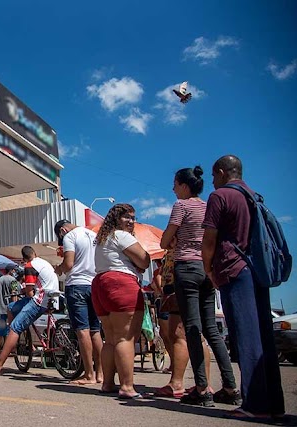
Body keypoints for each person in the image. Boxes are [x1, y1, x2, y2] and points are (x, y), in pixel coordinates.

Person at [202, 155, 284, 420]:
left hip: (234, 269)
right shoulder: (253, 196)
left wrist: (209, 269)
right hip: (257, 268)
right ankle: (273, 402)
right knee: (263, 336)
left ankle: (256, 404)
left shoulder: (221, 196)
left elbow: (210, 239)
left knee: (246, 338)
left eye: (214, 176)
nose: (212, 182)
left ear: (222, 172)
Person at [160, 166, 238, 406]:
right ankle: (230, 386)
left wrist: (174, 239)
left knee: (192, 328)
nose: (173, 189)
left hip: (186, 267)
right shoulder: (209, 206)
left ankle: (201, 388)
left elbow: (165, 240)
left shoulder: (181, 206)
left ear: (184, 185)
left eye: (175, 184)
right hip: (207, 268)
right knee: (211, 330)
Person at [91, 204, 150, 399]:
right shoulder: (122, 236)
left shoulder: (102, 238)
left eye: (133, 217)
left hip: (100, 284)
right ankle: (127, 386)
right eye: (126, 217)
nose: (131, 221)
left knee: (111, 338)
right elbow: (144, 260)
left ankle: (108, 383)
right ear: (116, 219)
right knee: (126, 338)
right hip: (121, 283)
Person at [0, 246, 59, 375]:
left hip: (40, 300)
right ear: (35, 253)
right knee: (11, 307)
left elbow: (29, 292)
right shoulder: (44, 263)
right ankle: (14, 342)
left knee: (15, 328)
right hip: (52, 299)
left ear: (24, 259)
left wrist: (25, 292)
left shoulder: (29, 266)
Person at [54, 219, 104, 385]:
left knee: (82, 330)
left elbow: (69, 264)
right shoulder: (94, 235)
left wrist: (59, 269)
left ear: (62, 230)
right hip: (94, 285)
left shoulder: (70, 236)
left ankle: (89, 374)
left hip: (77, 285)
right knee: (95, 330)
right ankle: (100, 374)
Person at [0, 264, 19, 357]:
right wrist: (14, 307)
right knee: (9, 330)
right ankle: (9, 351)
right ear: (11, 270)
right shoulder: (13, 281)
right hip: (9, 309)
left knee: (1, 330)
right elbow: (14, 294)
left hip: (1, 308)